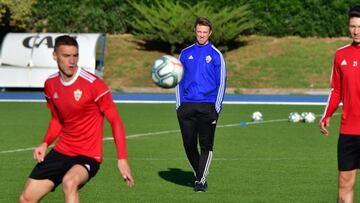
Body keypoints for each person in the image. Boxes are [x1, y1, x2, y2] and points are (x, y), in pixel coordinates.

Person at [19, 35, 134, 203]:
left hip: (88, 155)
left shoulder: (94, 84)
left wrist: (122, 159)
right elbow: (57, 120)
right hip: (61, 151)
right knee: (26, 199)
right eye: (66, 56)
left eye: (75, 56)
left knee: (70, 182)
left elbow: (115, 120)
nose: (72, 61)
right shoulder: (50, 84)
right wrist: (45, 143)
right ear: (55, 56)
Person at [176, 16, 226, 192]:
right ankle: (199, 174)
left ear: (210, 33)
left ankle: (200, 181)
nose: (202, 35)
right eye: (199, 32)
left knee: (205, 145)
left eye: (205, 32)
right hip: (187, 107)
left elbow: (222, 83)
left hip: (208, 106)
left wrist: (216, 108)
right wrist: (179, 105)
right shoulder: (184, 53)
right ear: (195, 32)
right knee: (189, 145)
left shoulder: (216, 55)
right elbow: (178, 81)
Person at [320, 5, 360, 203]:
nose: (356, 31)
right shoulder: (341, 55)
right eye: (353, 26)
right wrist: (326, 115)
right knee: (345, 182)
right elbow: (336, 90)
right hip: (349, 131)